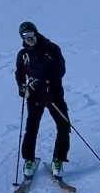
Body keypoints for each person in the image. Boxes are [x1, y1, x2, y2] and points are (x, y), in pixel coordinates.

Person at [15, 20, 70, 181]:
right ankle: (29, 160)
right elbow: (19, 73)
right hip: (34, 96)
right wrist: (22, 87)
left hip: (54, 94)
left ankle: (58, 160)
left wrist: (46, 83)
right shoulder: (23, 54)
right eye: (25, 36)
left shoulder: (51, 48)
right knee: (31, 127)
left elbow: (60, 69)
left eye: (31, 34)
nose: (29, 38)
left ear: (36, 32)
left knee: (64, 125)